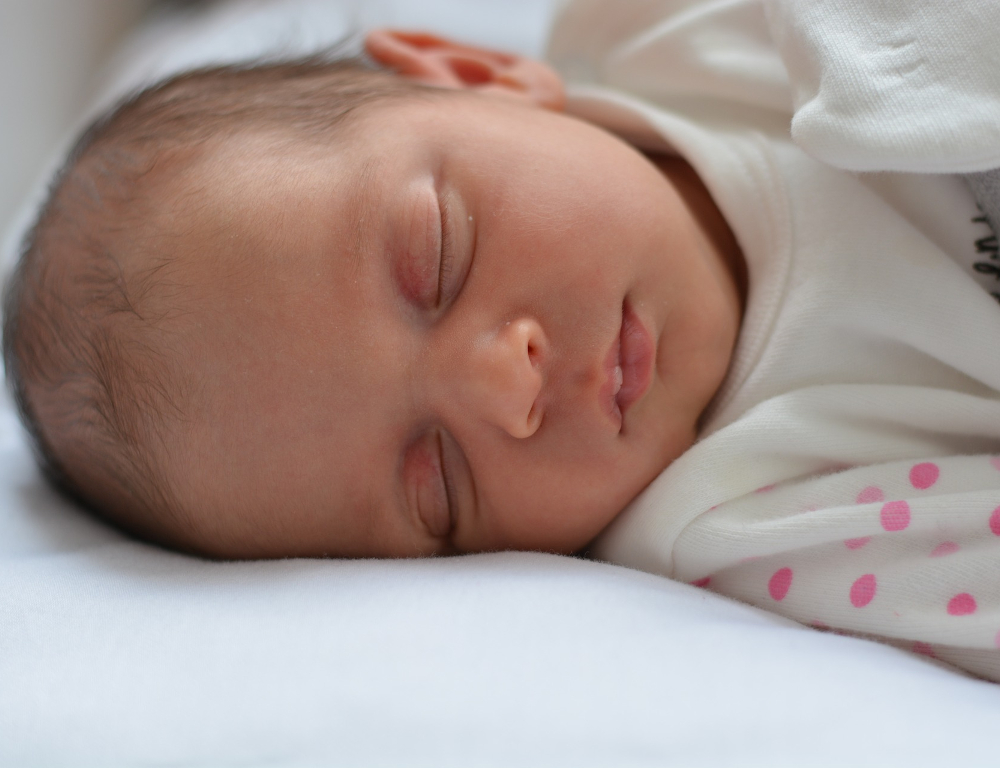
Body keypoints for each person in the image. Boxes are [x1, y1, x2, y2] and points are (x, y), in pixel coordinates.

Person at [4, 0, 1000, 680]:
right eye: (439, 484)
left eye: (439, 259)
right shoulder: (745, 519)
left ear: (475, 74)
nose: (507, 387)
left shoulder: (682, 30)